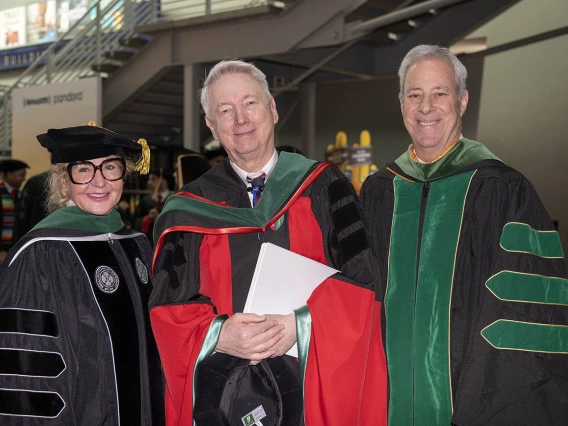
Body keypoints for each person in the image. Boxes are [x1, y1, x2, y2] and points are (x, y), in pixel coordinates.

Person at [150, 60, 387, 426]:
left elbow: (364, 280)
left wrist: (302, 325)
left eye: (250, 103)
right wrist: (219, 334)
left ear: (272, 109)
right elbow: (169, 308)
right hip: (226, 391)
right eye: (225, 111)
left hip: (311, 383)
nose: (240, 119)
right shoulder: (188, 209)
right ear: (212, 126)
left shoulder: (325, 186)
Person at [360, 44, 568, 426]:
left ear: (463, 101)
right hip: (383, 403)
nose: (426, 107)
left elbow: (525, 318)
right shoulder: (378, 191)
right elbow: (356, 300)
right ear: (401, 102)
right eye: (415, 94)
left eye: (440, 93)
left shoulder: (504, 190)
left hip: (476, 402)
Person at [0, 124, 164, 425]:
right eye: (84, 170)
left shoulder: (137, 244)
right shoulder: (41, 254)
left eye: (110, 168)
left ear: (123, 176)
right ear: (65, 181)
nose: (99, 182)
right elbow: (28, 372)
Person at [0, 158, 29, 260]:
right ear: (10, 175)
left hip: (13, 245)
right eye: (21, 175)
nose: (24, 178)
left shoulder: (18, 194)